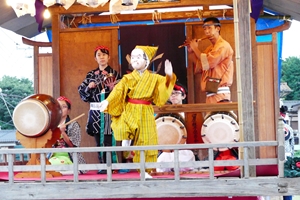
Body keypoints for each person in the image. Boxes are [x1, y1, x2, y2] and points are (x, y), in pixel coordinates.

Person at [97, 45, 177, 178]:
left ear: (147, 60)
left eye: (138, 57)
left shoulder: (154, 78)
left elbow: (165, 87)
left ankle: (145, 171)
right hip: (130, 107)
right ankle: (126, 138)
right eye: (133, 57)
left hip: (145, 110)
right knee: (123, 124)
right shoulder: (127, 78)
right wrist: (108, 101)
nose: (135, 59)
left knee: (147, 141)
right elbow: (118, 91)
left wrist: (169, 76)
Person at [78, 45, 121, 174]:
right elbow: (82, 93)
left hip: (109, 111)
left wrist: (114, 90)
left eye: (104, 54)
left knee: (108, 138)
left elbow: (121, 93)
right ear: (95, 58)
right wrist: (88, 88)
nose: (101, 57)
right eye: (99, 55)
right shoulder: (90, 75)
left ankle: (111, 166)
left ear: (108, 57)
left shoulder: (116, 74)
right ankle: (103, 165)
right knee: (98, 140)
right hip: (95, 112)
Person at [188, 17, 234, 103]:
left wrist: (195, 49)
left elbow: (207, 64)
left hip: (220, 94)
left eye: (209, 28)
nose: (206, 31)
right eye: (205, 29)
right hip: (211, 93)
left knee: (218, 116)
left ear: (218, 28)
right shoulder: (210, 49)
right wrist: (191, 52)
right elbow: (201, 65)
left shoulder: (223, 46)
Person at [156, 82, 196, 173]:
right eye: (171, 93)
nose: (173, 96)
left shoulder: (189, 114)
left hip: (184, 149)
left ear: (183, 96)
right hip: (167, 151)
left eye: (176, 93)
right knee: (162, 167)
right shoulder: (165, 113)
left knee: (186, 167)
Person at [49, 96, 87, 174]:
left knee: (56, 165)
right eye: (58, 107)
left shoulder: (74, 125)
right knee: (47, 164)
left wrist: (62, 132)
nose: (61, 109)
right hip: (53, 155)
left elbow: (73, 145)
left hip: (69, 156)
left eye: (64, 107)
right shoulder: (51, 125)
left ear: (68, 110)